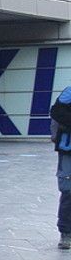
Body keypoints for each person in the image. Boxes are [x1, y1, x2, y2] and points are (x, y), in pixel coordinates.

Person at [52, 86, 71, 250]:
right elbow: (56, 112)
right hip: (68, 150)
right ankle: (66, 232)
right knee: (68, 191)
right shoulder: (69, 92)